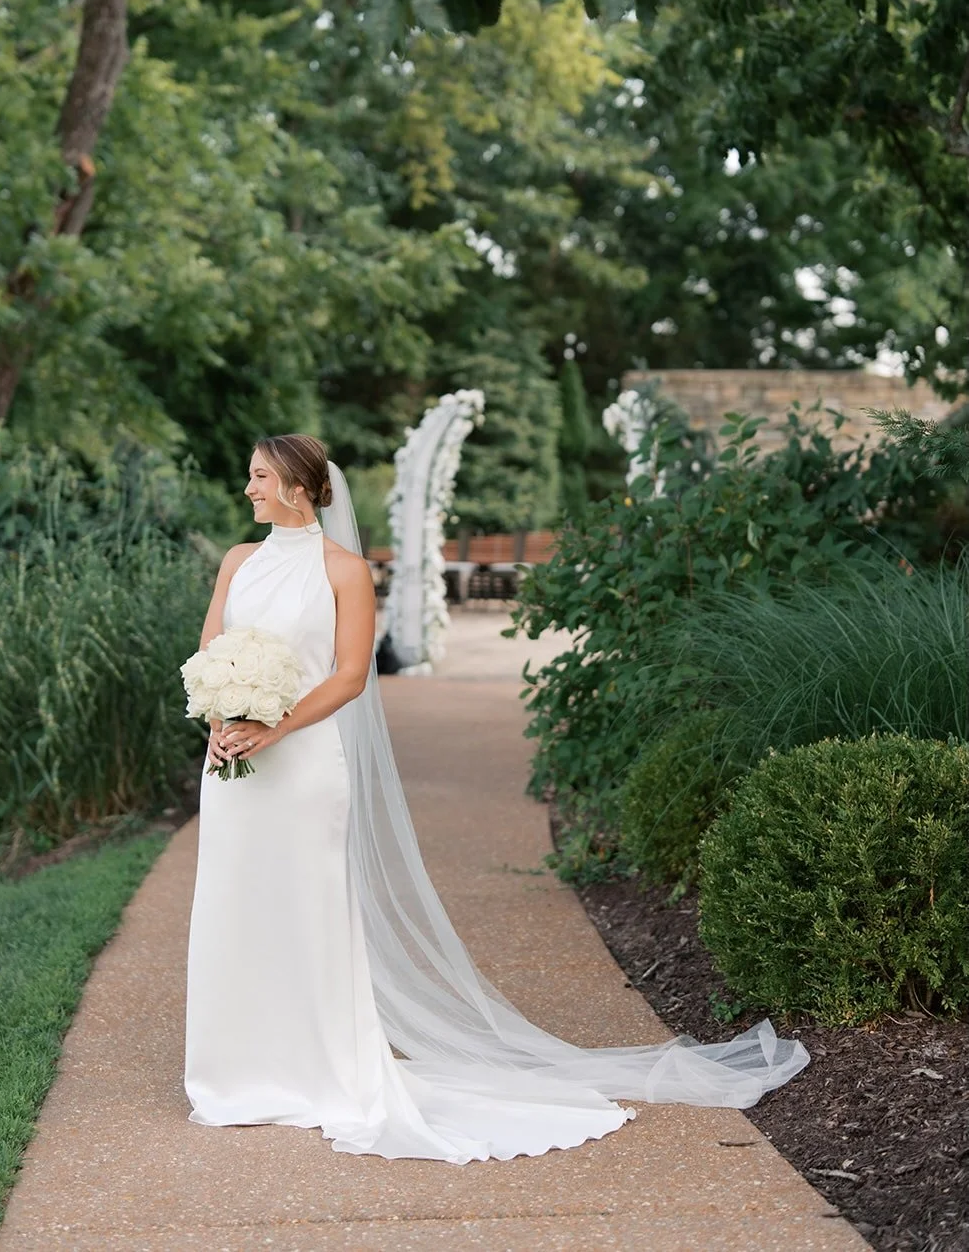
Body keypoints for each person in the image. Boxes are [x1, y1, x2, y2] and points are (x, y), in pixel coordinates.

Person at [184, 433, 810, 1163]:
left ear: (297, 486)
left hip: (302, 765)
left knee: (306, 906)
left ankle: (313, 1070)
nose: (249, 489)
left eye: (260, 477)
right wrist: (219, 724)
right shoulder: (237, 561)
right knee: (233, 903)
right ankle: (236, 1071)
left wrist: (276, 726)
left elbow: (350, 674)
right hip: (233, 765)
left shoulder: (344, 570)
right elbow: (209, 653)